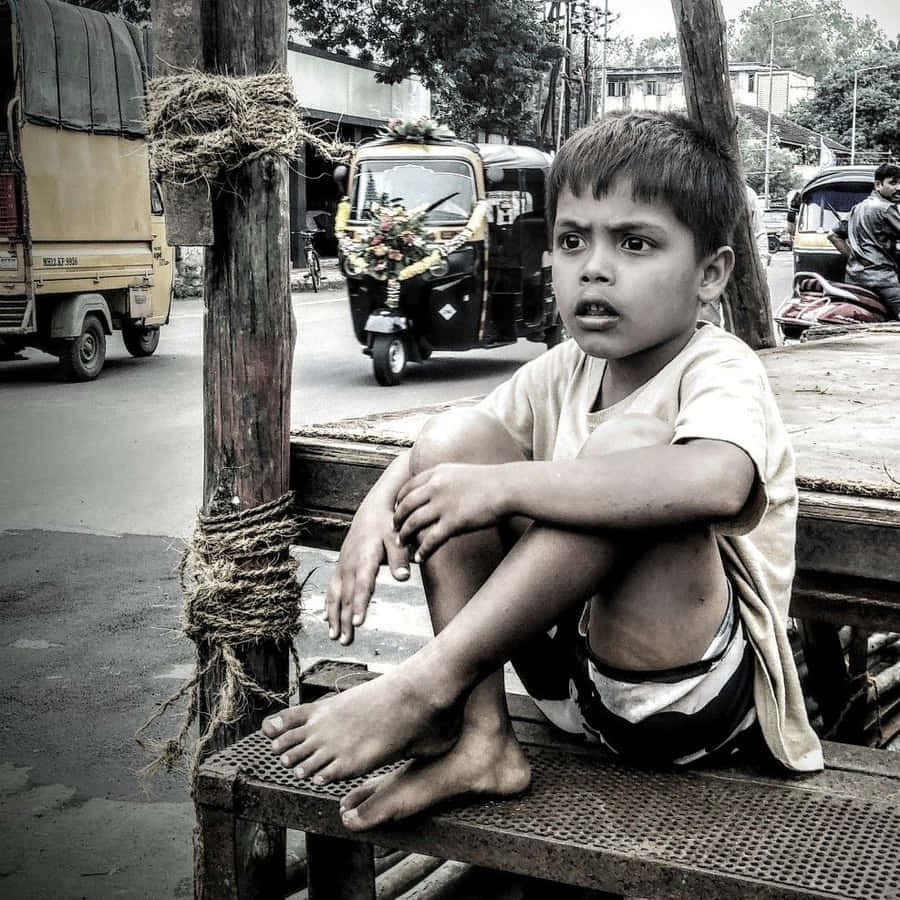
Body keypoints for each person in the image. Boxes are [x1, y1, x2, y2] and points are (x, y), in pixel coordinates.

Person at [263, 111, 822, 832]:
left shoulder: (719, 366)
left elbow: (715, 481)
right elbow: (448, 447)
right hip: (566, 681)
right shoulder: (565, 367)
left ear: (710, 274)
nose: (594, 267)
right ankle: (482, 737)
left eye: (635, 243)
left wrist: (503, 487)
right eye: (572, 240)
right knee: (456, 437)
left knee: (626, 453)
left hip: (684, 695)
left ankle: (428, 685)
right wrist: (376, 508)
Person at [826, 163, 900, 317]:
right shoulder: (886, 208)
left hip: (854, 278)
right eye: (893, 183)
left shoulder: (857, 208)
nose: (898, 188)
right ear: (878, 185)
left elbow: (833, 235)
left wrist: (855, 257)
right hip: (881, 279)